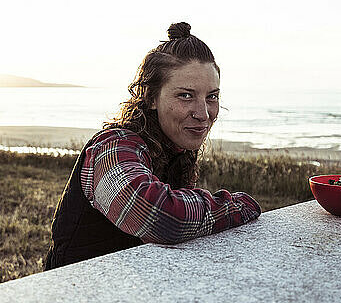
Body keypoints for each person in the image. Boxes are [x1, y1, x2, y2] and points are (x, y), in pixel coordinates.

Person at [45, 22, 261, 270]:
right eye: (185, 95)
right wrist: (236, 205)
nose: (204, 114)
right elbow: (161, 217)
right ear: (150, 96)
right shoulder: (113, 147)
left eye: (212, 96)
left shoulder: (175, 147)